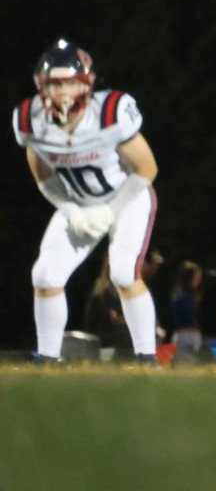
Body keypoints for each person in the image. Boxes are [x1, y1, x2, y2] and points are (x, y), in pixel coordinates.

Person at [13, 41, 160, 365]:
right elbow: (44, 177)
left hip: (127, 196)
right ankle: (48, 360)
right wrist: (70, 210)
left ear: (86, 83)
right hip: (79, 203)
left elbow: (147, 168)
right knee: (45, 275)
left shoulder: (111, 112)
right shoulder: (30, 120)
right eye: (54, 84)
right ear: (41, 85)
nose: (62, 91)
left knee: (123, 273)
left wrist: (111, 211)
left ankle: (147, 358)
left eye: (69, 82)